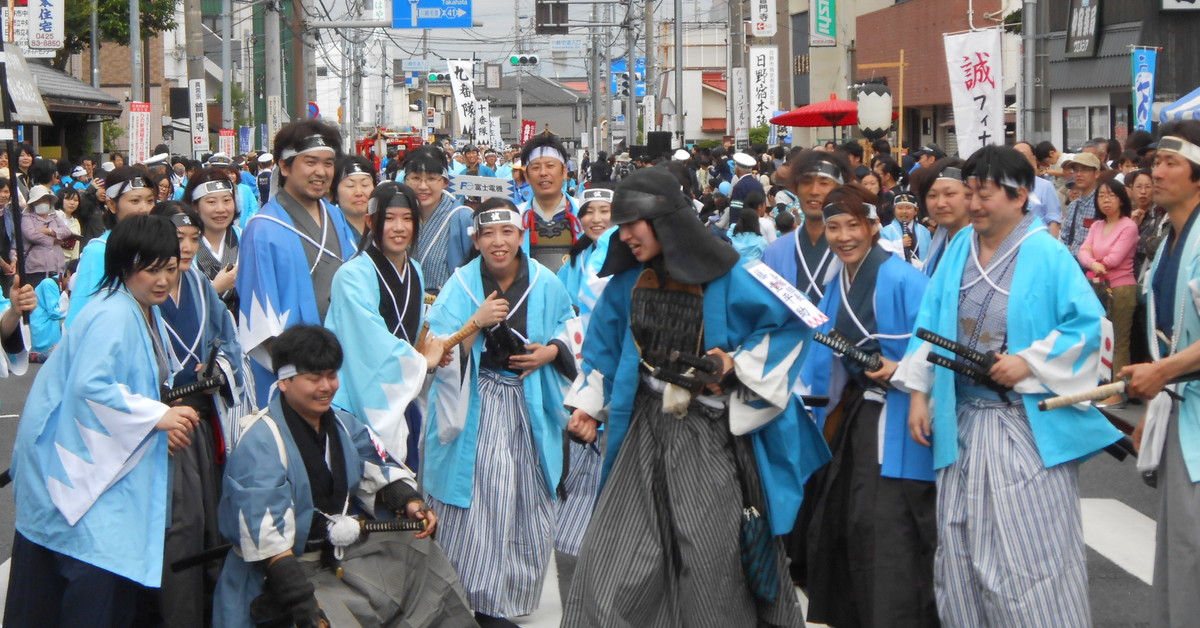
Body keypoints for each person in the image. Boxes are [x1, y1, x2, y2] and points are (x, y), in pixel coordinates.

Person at [561, 167, 826, 627]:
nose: (623, 237)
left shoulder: (735, 273)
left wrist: (733, 364)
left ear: (665, 220)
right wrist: (587, 406)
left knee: (711, 569)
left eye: (631, 225)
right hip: (642, 433)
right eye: (620, 227)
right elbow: (603, 349)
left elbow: (794, 324)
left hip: (708, 437)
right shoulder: (628, 282)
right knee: (610, 567)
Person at [892, 145, 1121, 626]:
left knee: (1029, 556)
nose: (973, 204)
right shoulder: (959, 247)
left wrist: (1029, 362)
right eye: (970, 192)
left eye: (985, 193)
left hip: (1021, 427)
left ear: (1020, 197)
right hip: (964, 423)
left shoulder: (1046, 252)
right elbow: (930, 319)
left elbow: (1091, 329)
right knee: (962, 554)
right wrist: (918, 392)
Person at [4, 215, 201, 626]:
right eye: (151, 269)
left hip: (98, 471)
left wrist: (153, 423)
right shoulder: (115, 314)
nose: (163, 279)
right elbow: (91, 388)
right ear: (124, 265)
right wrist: (157, 416)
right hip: (80, 480)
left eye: (169, 267)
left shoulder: (135, 306)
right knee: (86, 591)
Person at [212, 325, 475, 628]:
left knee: (418, 549)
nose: (326, 386)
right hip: (278, 574)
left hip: (334, 557)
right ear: (284, 382)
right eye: (314, 378)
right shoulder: (261, 442)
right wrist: (301, 599)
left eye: (332, 375)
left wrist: (409, 500)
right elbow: (265, 538)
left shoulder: (341, 423)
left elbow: (375, 464)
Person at [423, 198, 577, 627]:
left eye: (507, 232)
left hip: (530, 403)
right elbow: (435, 347)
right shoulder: (461, 283)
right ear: (475, 238)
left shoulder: (545, 281)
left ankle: (510, 599)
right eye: (487, 233)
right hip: (477, 402)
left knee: (526, 502)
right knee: (476, 503)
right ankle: (474, 599)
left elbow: (571, 327)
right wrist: (475, 322)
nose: (498, 241)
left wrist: (550, 351)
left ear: (521, 234)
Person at [799, 183, 935, 628]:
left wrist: (904, 371)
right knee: (851, 522)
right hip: (861, 414)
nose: (843, 237)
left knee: (889, 528)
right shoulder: (836, 279)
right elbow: (823, 356)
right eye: (833, 226)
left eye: (853, 225)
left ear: (873, 227)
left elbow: (936, 342)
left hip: (903, 414)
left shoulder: (903, 278)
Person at [1113, 123, 1200, 628]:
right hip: (1179, 407)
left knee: (1192, 545)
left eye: (1171, 164)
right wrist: (1156, 403)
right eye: (1154, 163)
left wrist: (1162, 372)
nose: (1156, 172)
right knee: (1177, 546)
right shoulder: (1166, 237)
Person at [150, 201, 252, 628]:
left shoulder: (198, 285)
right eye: (179, 239)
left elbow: (229, 344)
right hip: (161, 426)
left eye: (194, 239)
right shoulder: (146, 290)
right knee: (178, 526)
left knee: (211, 519)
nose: (188, 248)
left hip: (203, 420)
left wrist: (217, 371)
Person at [325, 182, 446, 470]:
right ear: (370, 221)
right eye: (389, 218)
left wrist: (430, 352)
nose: (399, 227)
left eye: (407, 219)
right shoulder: (351, 275)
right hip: (357, 400)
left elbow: (412, 338)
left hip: (402, 397)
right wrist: (420, 361)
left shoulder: (414, 269)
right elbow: (369, 344)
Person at [238, 120, 358, 405]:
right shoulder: (262, 228)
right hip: (295, 377)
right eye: (311, 162)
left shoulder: (335, 216)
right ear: (286, 166)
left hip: (341, 367)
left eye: (328, 163)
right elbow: (259, 317)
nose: (321, 172)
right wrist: (299, 373)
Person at [65, 166, 157, 327]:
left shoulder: (155, 247)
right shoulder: (99, 251)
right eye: (135, 201)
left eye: (150, 201)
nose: (144, 209)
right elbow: (79, 318)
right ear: (112, 205)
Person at [761, 151, 853, 302]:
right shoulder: (775, 252)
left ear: (840, 189)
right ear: (796, 189)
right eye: (806, 182)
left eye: (824, 183)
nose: (814, 191)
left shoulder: (855, 249)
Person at [1077, 178, 1138, 404]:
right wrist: (1093, 263)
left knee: (1119, 340)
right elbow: (1082, 251)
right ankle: (1103, 384)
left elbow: (1115, 258)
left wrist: (1093, 259)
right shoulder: (1097, 225)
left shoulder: (1128, 225)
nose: (1106, 200)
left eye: (1111, 195)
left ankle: (1119, 391)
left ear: (1121, 199)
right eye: (1102, 195)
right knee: (1101, 338)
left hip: (1120, 288)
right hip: (1097, 286)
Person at [405, 144, 473, 292]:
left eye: (431, 178)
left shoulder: (463, 218)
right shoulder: (398, 217)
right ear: (405, 180)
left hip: (448, 306)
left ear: (445, 182)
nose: (422, 186)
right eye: (415, 178)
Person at [517, 133, 583, 273]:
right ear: (526, 176)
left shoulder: (585, 212)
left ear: (564, 171)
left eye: (550, 165)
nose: (543, 173)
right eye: (535, 167)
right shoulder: (516, 216)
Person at [185, 168, 241, 315]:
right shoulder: (183, 246)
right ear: (194, 206)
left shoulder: (246, 239)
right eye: (211, 202)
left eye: (227, 200)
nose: (221, 209)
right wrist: (215, 288)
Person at [913, 158, 971, 277]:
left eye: (950, 194)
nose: (940, 203)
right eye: (932, 195)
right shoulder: (941, 240)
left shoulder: (983, 246)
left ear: (970, 195)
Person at [21, 185, 71, 288]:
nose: (43, 203)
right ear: (34, 202)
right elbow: (32, 234)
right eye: (39, 200)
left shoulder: (54, 217)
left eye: (46, 200)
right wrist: (53, 241)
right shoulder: (27, 217)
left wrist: (49, 231)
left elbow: (66, 232)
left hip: (56, 267)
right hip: (36, 268)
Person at [1060, 151, 1102, 255]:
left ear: (1096, 173)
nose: (1078, 174)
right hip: (1073, 265)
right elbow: (1065, 237)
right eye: (1076, 170)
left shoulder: (1102, 203)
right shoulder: (1073, 206)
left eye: (1084, 170)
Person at [879, 191, 931, 269]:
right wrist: (899, 245)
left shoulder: (924, 231)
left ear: (916, 211)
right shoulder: (885, 231)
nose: (904, 211)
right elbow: (881, 255)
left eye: (908, 208)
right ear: (894, 210)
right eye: (900, 208)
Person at [333, 155, 376, 240]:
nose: (359, 192)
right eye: (350, 185)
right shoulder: (328, 232)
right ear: (335, 193)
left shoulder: (385, 229)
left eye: (365, 184)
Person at [56, 187, 83, 262]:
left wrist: (74, 263)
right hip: (52, 261)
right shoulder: (54, 216)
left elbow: (76, 246)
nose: (72, 203)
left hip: (67, 262)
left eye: (75, 200)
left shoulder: (76, 222)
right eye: (68, 199)